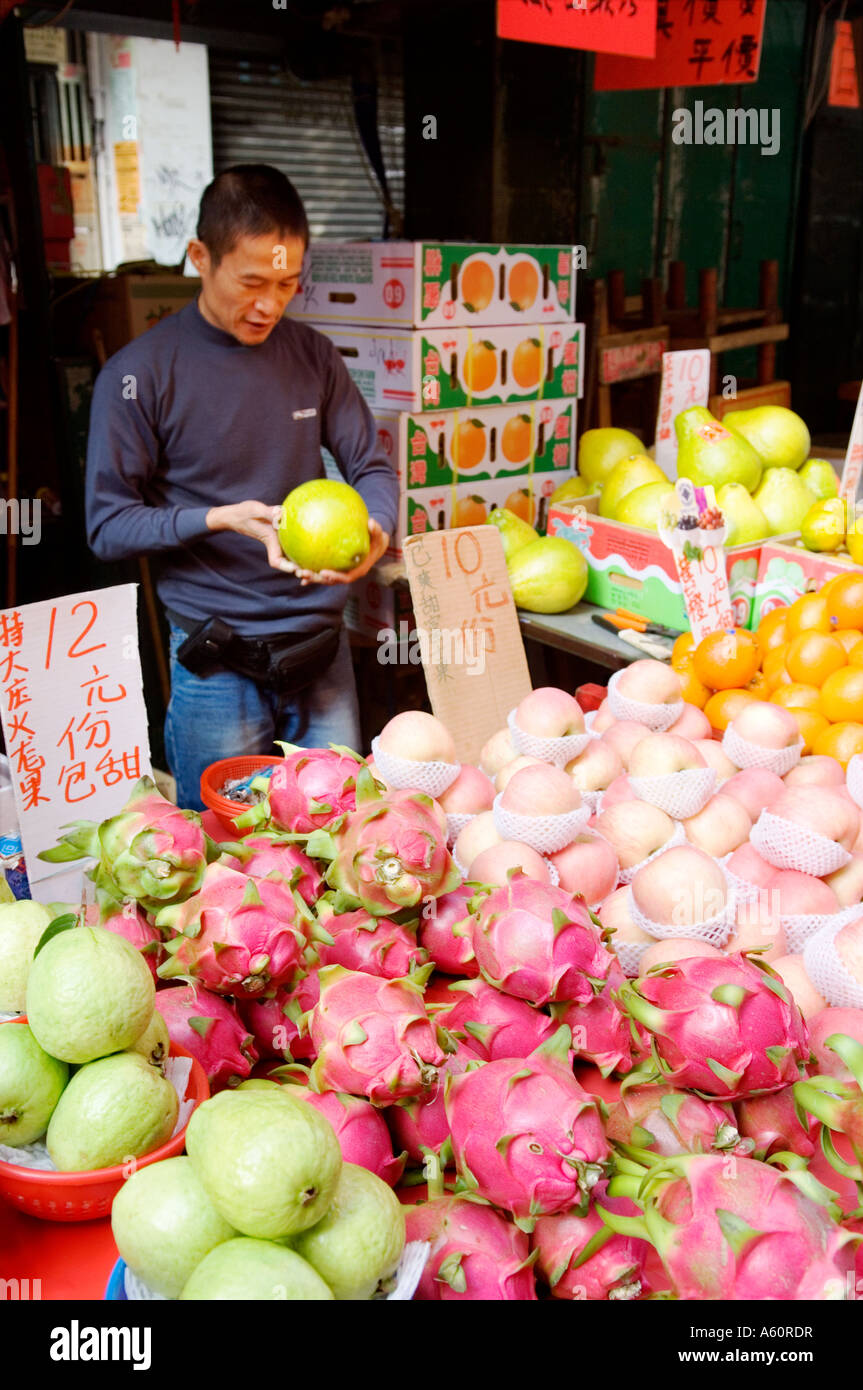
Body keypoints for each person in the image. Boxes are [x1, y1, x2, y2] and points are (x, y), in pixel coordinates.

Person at [86, 165, 398, 810]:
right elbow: (107, 525)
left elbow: (370, 465)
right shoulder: (139, 374)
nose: (270, 305)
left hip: (322, 652)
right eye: (252, 281)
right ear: (200, 257)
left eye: (287, 284)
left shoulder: (313, 355)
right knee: (225, 864)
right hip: (217, 663)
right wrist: (218, 518)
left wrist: (378, 526)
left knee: (337, 844)